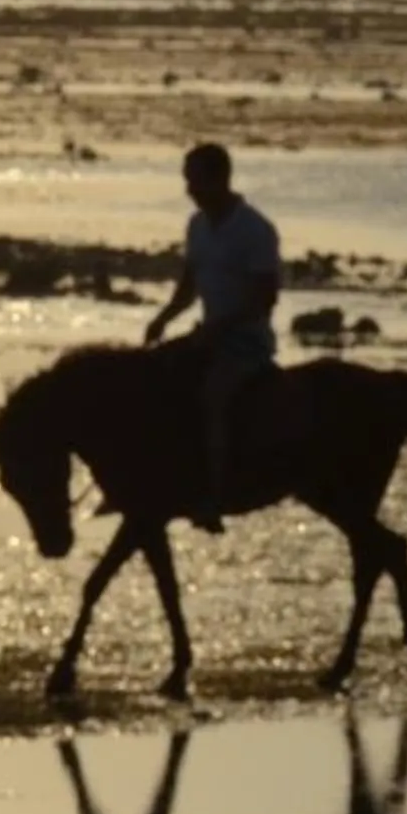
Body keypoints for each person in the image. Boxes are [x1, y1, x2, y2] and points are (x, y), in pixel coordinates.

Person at [143, 142, 282, 529]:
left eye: (196, 181)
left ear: (220, 180)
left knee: (212, 398)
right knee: (150, 381)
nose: (190, 189)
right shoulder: (197, 225)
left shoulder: (255, 230)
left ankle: (214, 494)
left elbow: (264, 299)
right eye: (187, 181)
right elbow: (189, 286)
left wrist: (221, 327)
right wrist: (163, 318)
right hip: (207, 337)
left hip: (245, 344)